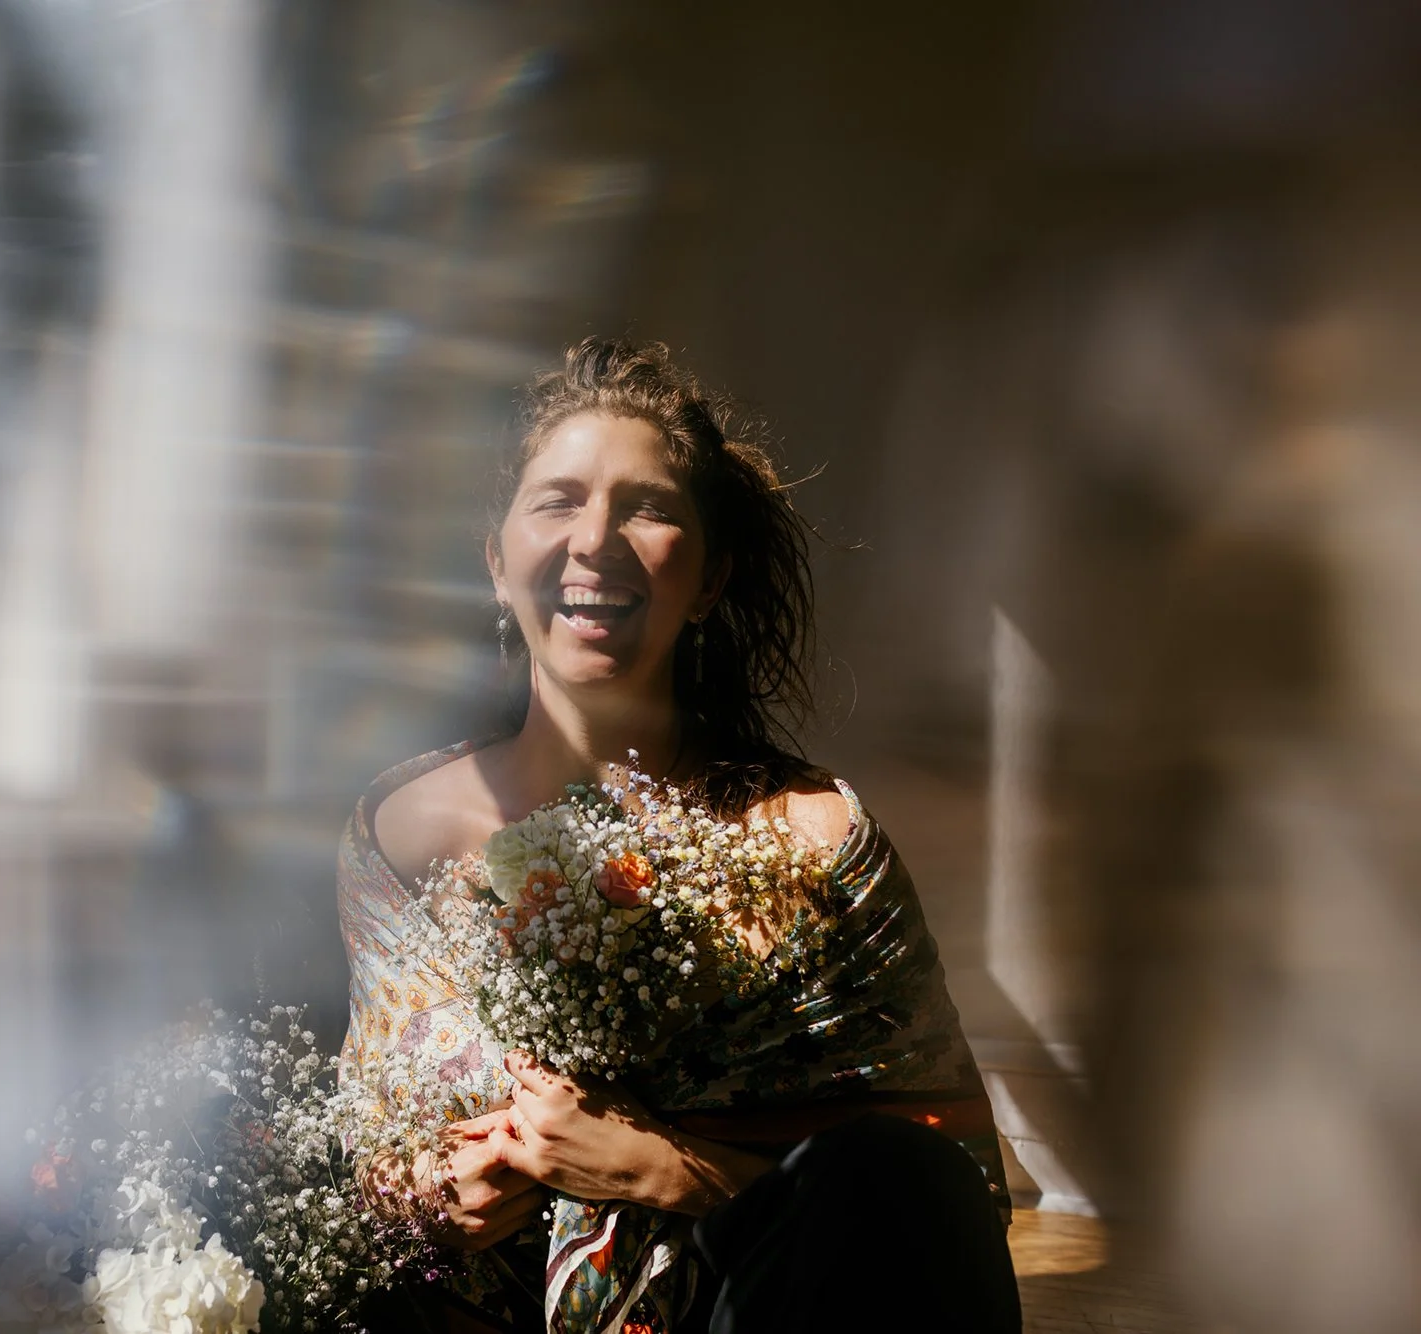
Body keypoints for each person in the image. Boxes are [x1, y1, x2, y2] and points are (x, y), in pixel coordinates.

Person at [336, 338, 1020, 1333]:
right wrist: (440, 1190)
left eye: (648, 506)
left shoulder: (816, 838)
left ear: (707, 581)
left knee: (884, 1171)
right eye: (557, 499)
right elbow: (369, 1140)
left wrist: (659, 1166)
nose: (594, 539)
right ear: (494, 561)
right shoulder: (395, 835)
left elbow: (939, 1197)